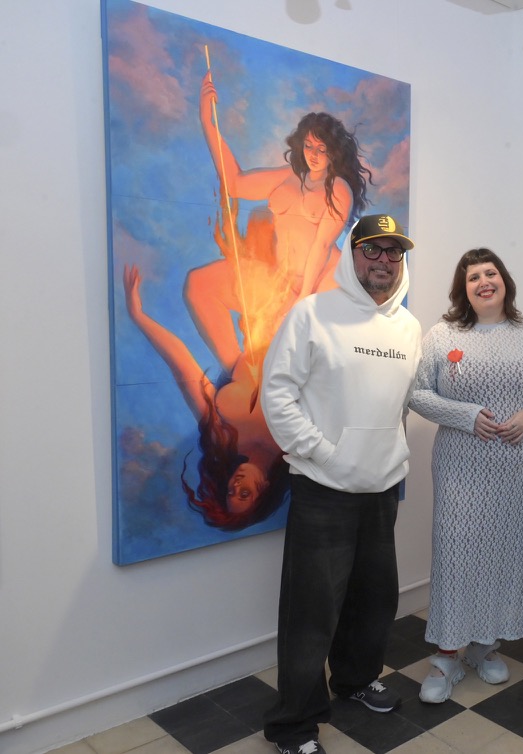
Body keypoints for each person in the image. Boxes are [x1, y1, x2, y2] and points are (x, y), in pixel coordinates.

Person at [259, 214, 421, 754]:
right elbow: (277, 393)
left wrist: (388, 455)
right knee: (310, 614)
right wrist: (324, 452)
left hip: (381, 489)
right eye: (372, 249)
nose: (383, 261)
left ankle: (355, 680)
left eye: (393, 252)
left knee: (374, 600)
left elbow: (399, 404)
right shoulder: (312, 314)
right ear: (352, 255)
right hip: (323, 489)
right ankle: (293, 726)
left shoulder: (408, 327)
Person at [409, 248, 523, 704]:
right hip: (461, 468)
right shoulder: (442, 335)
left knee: (505, 555)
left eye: (491, 273)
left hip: (519, 467)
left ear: (504, 281)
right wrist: (466, 416)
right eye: (473, 277)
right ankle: (447, 654)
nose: (484, 282)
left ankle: (485, 644)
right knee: (457, 556)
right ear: (463, 289)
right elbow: (417, 394)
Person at [188, 72, 373, 374]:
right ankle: (236, 372)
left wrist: (301, 301)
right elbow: (235, 184)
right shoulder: (287, 177)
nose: (314, 155)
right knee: (200, 283)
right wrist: (207, 122)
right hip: (284, 280)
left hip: (322, 283)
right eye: (309, 146)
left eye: (322, 149)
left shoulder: (338, 189)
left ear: (334, 152)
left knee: (302, 356)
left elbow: (321, 247)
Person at [122, 265, 288, 530]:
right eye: (244, 493)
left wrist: (138, 316)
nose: (236, 485)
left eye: (230, 492)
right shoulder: (296, 447)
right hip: (291, 330)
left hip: (248, 348)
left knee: (197, 287)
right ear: (266, 491)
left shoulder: (221, 437)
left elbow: (182, 367)